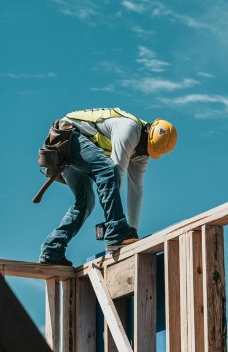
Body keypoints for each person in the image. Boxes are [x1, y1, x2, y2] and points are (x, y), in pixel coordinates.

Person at [38, 107, 177, 266]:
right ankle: (116, 232)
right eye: (144, 147)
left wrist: (133, 230)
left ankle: (52, 250)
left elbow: (136, 190)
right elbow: (115, 173)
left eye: (147, 151)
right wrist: (117, 230)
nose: (142, 152)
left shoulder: (142, 153)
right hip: (66, 136)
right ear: (147, 131)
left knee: (85, 202)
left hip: (74, 146)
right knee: (108, 170)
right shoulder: (129, 129)